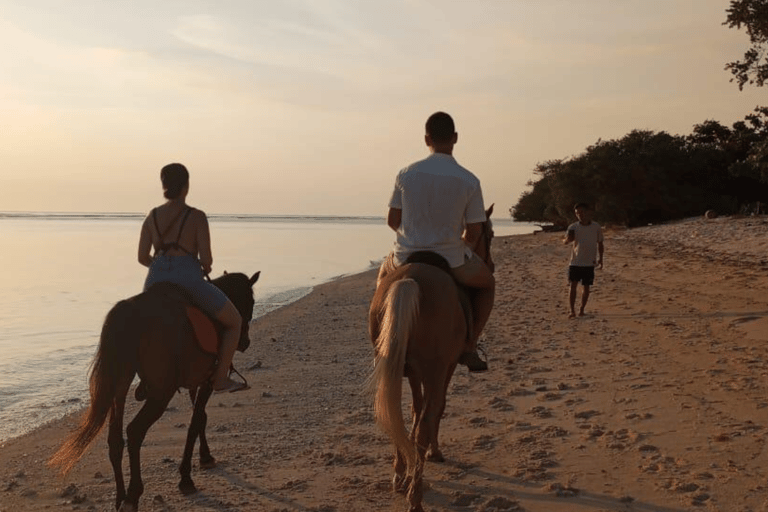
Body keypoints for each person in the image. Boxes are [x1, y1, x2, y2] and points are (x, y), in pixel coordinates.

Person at [378, 111, 495, 372]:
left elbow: (392, 221)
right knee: (488, 284)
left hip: (405, 256)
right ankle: (470, 345)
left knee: (381, 284)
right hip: (450, 258)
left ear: (426, 139)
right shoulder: (469, 179)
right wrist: (459, 244)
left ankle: (380, 347)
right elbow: (475, 232)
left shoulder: (405, 174)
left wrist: (413, 235)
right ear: (455, 138)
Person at [138, 163, 247, 393]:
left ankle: (145, 378)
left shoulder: (152, 216)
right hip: (188, 279)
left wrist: (160, 265)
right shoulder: (197, 217)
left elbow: (141, 257)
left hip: (154, 279)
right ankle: (220, 379)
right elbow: (207, 260)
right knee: (235, 322)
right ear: (186, 187)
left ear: (164, 186)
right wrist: (195, 265)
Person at [563, 202, 604, 318]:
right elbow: (566, 241)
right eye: (577, 213)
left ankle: (581, 309)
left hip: (589, 262)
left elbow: (600, 243)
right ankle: (572, 310)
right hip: (575, 261)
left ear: (587, 212)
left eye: (582, 212)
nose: (580, 215)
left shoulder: (596, 227)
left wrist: (601, 259)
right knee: (573, 286)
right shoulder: (573, 227)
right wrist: (567, 240)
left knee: (586, 287)